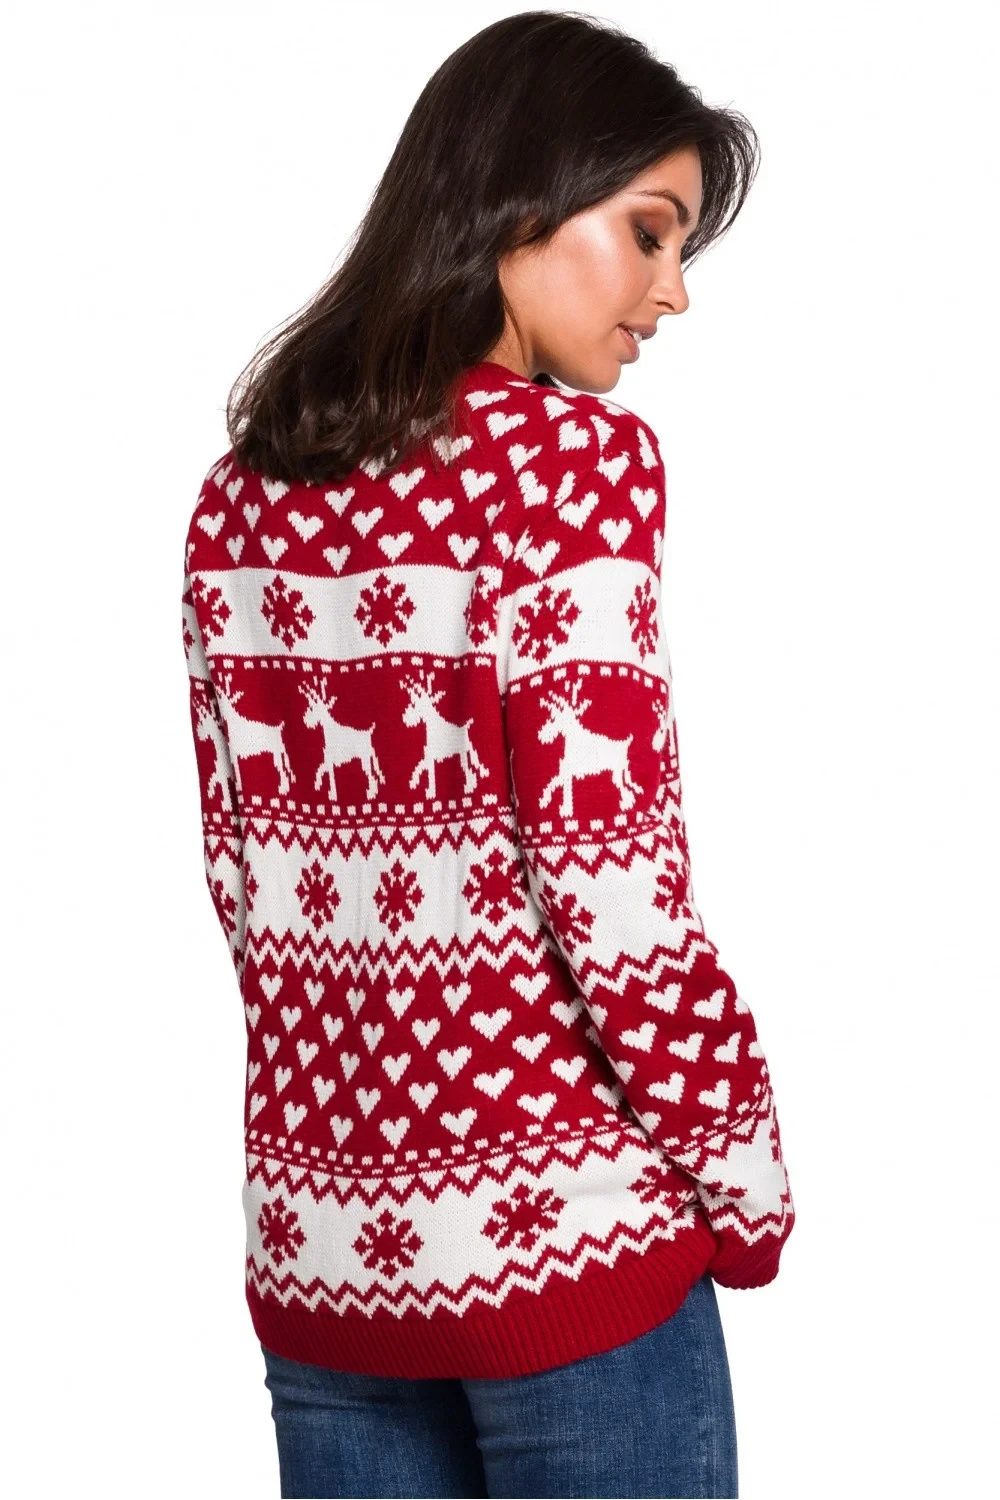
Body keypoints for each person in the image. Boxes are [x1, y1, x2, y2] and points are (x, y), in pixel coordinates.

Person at [181, 10, 795, 1497]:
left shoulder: (243, 494)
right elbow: (611, 876)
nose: (672, 291)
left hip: (328, 1255)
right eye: (648, 232)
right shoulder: (571, 463)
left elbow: (248, 881)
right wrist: (742, 1172)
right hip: (565, 1244)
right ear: (523, 199)